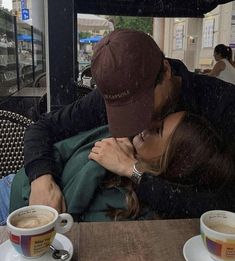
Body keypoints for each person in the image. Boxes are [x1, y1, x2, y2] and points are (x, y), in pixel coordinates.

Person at [23, 29, 235, 213]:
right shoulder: (113, 93)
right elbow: (42, 128)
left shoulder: (223, 104)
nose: (140, 124)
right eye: (125, 114)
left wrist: (134, 171)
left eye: (143, 106)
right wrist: (41, 179)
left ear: (167, 70)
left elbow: (225, 205)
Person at [1, 111, 234, 225]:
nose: (148, 125)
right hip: (14, 191)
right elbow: (57, 146)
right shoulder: (115, 134)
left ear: (173, 162)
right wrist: (42, 180)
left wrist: (128, 168)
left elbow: (71, 227)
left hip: (29, 231)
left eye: (159, 130)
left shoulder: (141, 205)